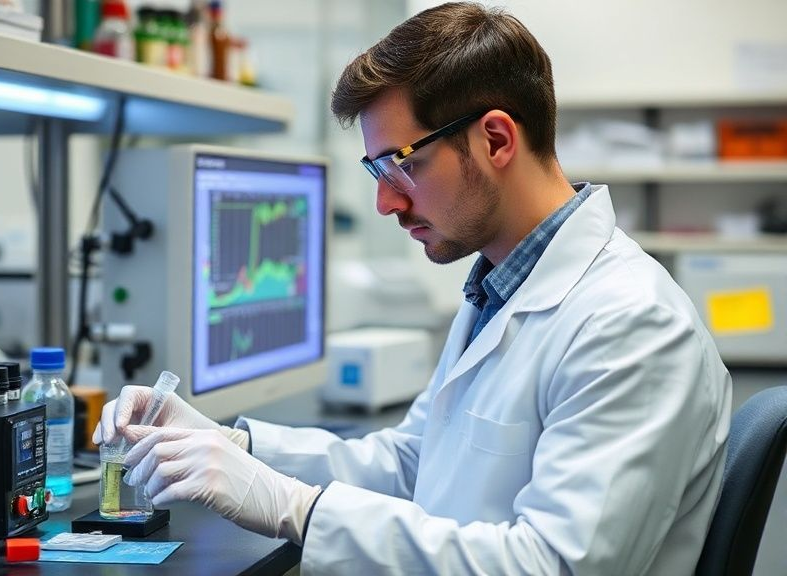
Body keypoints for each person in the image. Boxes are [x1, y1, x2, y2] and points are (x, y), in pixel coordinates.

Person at [93, 3, 732, 574]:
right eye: (376, 170)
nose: (384, 201)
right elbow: (412, 461)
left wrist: (294, 509)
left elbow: (554, 564)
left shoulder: (631, 324)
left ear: (497, 139)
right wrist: (234, 445)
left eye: (402, 164)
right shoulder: (501, 286)